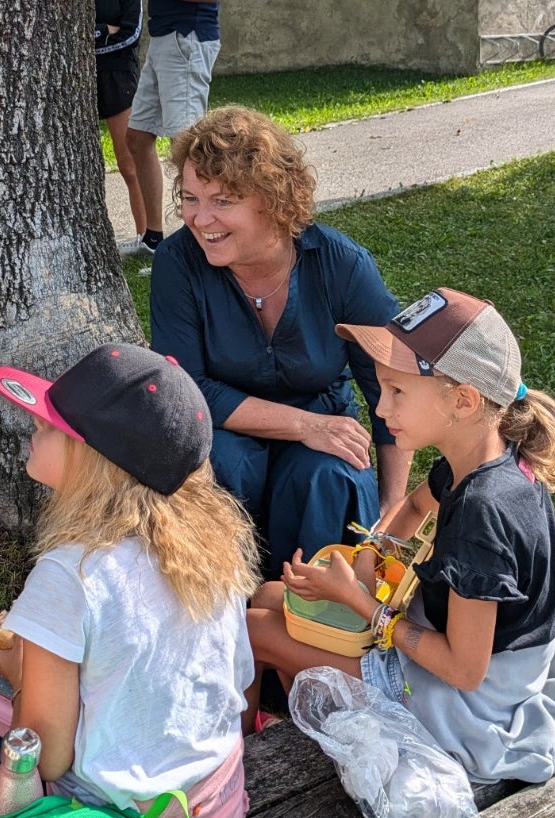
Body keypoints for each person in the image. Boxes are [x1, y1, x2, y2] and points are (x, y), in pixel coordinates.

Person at [0, 343, 260, 818]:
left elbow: (47, 757)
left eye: (50, 424)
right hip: (209, 811)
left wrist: (22, 672)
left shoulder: (71, 573)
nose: (33, 425)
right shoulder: (215, 547)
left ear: (94, 456)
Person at [246, 288, 555, 782]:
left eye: (397, 392)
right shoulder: (483, 458)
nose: (381, 409)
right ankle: (327, 727)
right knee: (271, 596)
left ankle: (239, 774)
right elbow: (414, 505)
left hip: (468, 708)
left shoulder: (484, 514)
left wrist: (360, 602)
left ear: (462, 400)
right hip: (457, 664)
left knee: (253, 630)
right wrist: (373, 553)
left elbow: (464, 671)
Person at [150, 105, 410, 578]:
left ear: (271, 199)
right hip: (226, 429)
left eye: (223, 201)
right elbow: (187, 390)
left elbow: (392, 384)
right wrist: (305, 425)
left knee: (332, 475)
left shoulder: (342, 266)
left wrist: (392, 507)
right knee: (219, 464)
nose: (199, 218)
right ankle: (228, 613)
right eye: (190, 198)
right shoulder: (177, 264)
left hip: (321, 424)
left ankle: (316, 625)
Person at [121, 0, 221, 258]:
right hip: (164, 38)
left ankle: (200, 240)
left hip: (187, 38)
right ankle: (153, 240)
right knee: (137, 137)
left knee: (190, 149)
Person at [95, 1, 146, 245]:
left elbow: (131, 35)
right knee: (84, 164)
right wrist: (106, 30)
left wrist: (97, 35)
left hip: (120, 77)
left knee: (129, 164)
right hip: (82, 77)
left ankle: (145, 236)